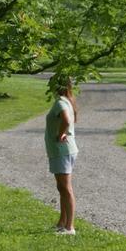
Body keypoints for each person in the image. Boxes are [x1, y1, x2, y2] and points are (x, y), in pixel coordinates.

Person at [44, 74, 79, 235]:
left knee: (66, 188)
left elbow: (65, 120)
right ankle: (62, 222)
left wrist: (60, 134)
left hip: (62, 150)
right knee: (61, 187)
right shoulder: (66, 100)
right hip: (64, 150)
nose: (50, 85)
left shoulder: (60, 103)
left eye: (52, 83)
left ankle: (69, 227)